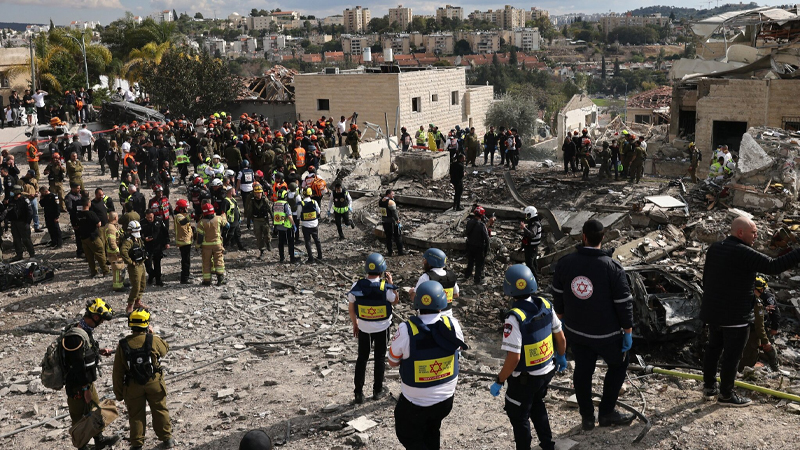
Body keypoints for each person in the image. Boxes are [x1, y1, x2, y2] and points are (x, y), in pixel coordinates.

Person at [701, 216, 800, 406]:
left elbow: (707, 278)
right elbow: (773, 266)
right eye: (753, 232)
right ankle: (726, 395)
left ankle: (709, 387)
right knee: (732, 355)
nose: (756, 235)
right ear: (741, 233)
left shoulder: (715, 248)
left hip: (713, 312)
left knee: (713, 349)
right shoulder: (742, 252)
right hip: (736, 314)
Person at [551, 219, 634, 429]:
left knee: (582, 371)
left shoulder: (565, 262)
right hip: (607, 335)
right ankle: (606, 413)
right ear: (603, 238)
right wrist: (628, 330)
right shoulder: (612, 267)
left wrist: (560, 318)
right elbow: (624, 303)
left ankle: (587, 417)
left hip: (576, 332)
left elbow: (558, 296)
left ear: (583, 237)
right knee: (618, 366)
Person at [490, 264, 567, 450]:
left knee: (519, 415)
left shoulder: (514, 318)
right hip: (547, 372)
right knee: (537, 404)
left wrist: (499, 380)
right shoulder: (546, 305)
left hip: (524, 379)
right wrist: (561, 357)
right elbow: (561, 338)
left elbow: (514, 358)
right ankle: (548, 444)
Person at [388, 280, 467, 450]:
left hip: (415, 403)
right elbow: (458, 351)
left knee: (406, 434)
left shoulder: (406, 329)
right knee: (433, 429)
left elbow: (392, 362)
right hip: (445, 401)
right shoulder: (452, 324)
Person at [61, 299, 120, 450]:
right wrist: (85, 389)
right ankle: (82, 445)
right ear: (95, 317)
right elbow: (77, 366)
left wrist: (98, 351)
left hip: (87, 382)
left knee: (94, 410)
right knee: (79, 416)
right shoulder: (75, 337)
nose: (101, 322)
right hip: (78, 386)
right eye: (101, 319)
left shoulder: (84, 330)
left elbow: (84, 353)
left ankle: (99, 439)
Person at [112, 308, 175, 450]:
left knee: (135, 415)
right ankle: (167, 439)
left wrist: (119, 392)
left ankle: (137, 444)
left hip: (133, 385)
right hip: (154, 382)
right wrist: (153, 334)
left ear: (131, 325)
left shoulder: (122, 345)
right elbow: (165, 349)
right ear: (146, 324)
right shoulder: (152, 340)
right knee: (159, 409)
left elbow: (117, 372)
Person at [348, 253, 398, 404]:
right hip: (382, 328)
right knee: (379, 358)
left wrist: (355, 324)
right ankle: (377, 391)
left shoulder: (357, 286)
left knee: (362, 358)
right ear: (382, 270)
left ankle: (358, 393)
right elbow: (395, 301)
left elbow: (351, 308)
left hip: (363, 328)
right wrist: (392, 283)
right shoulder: (385, 287)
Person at [738, 276, 780, 372]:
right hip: (752, 330)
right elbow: (758, 323)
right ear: (760, 289)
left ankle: (775, 368)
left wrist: (774, 326)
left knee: (767, 349)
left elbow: (775, 313)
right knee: (751, 352)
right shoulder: (755, 300)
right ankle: (741, 371)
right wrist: (765, 340)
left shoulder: (764, 298)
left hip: (751, 329)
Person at [410, 248, 460, 318]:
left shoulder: (426, 277)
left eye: (425, 260)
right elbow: (456, 294)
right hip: (448, 318)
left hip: (429, 318)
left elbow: (414, 299)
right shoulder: (451, 276)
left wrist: (411, 292)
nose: (424, 262)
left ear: (431, 262)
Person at [121, 220, 148, 313]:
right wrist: (130, 262)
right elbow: (123, 251)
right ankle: (130, 305)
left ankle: (138, 301)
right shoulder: (128, 241)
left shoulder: (138, 239)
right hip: (134, 266)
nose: (137, 233)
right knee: (136, 286)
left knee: (143, 284)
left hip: (141, 264)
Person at [77, 197, 108, 278]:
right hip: (93, 237)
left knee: (89, 256)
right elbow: (99, 224)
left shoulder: (78, 214)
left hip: (83, 238)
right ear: (88, 204)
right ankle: (105, 270)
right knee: (100, 253)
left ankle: (93, 271)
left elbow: (76, 226)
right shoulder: (91, 214)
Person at [198, 202, 228, 286]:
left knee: (206, 263)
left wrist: (197, 246)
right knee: (218, 261)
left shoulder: (201, 222)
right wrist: (224, 217)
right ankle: (220, 280)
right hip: (217, 244)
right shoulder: (218, 219)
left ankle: (207, 281)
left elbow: (199, 237)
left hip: (206, 246)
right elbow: (226, 225)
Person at [7, 185, 35, 261]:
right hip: (14, 223)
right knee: (16, 240)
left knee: (26, 239)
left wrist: (27, 223)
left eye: (13, 191)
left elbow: (30, 212)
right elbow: (9, 210)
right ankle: (19, 255)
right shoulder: (11, 200)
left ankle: (32, 254)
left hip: (23, 222)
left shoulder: (24, 200)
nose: (12, 192)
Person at [141, 210, 169, 287]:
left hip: (157, 245)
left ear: (153, 215)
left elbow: (165, 232)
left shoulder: (159, 221)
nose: (149, 219)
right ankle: (151, 274)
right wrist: (144, 238)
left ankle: (158, 280)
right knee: (147, 263)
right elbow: (140, 234)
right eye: (147, 217)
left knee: (157, 263)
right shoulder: (143, 222)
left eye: (150, 217)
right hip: (147, 246)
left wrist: (167, 242)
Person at [463, 206, 490, 284]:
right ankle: (477, 280)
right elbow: (486, 239)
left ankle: (467, 275)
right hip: (479, 248)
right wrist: (487, 250)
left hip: (470, 246)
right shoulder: (481, 226)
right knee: (479, 265)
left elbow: (466, 233)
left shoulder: (469, 222)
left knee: (470, 262)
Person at [296, 187, 322, 263]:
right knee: (317, 240)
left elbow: (298, 215)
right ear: (310, 194)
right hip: (314, 224)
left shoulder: (301, 204)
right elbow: (319, 211)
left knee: (307, 241)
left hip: (305, 225)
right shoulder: (314, 202)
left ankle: (311, 258)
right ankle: (320, 255)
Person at [248, 184, 272, 259]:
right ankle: (262, 250)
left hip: (264, 219)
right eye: (257, 193)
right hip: (256, 220)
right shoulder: (252, 201)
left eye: (260, 193)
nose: (259, 194)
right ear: (255, 193)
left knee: (267, 234)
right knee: (258, 236)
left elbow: (270, 209)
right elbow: (249, 212)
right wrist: (248, 222)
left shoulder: (265, 200)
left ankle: (268, 243)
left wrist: (273, 219)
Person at [272, 189, 297, 263]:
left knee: (281, 243)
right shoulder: (285, 204)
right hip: (287, 226)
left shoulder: (275, 204)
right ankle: (292, 258)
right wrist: (293, 224)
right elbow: (289, 215)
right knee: (290, 242)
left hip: (279, 226)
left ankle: (281, 258)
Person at [173, 199, 194, 284]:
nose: (186, 209)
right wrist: (190, 216)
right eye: (185, 208)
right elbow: (183, 222)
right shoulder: (179, 216)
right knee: (185, 261)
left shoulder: (182, 215)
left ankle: (186, 274)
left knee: (186, 260)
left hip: (186, 241)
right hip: (183, 242)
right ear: (181, 209)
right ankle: (184, 278)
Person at [379, 189, 404, 256]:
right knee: (397, 236)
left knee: (388, 237)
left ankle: (390, 252)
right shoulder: (390, 202)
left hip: (384, 221)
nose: (393, 195)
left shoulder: (381, 201)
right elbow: (394, 213)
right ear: (388, 194)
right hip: (392, 222)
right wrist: (398, 221)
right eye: (392, 194)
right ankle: (400, 251)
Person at [105, 211, 125, 292]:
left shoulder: (111, 226)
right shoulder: (111, 228)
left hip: (113, 252)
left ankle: (121, 282)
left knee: (120, 268)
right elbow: (112, 242)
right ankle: (117, 286)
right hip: (114, 253)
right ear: (116, 218)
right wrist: (118, 252)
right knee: (117, 269)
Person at [521, 206, 542, 276]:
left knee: (530, 264)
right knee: (534, 262)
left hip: (531, 247)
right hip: (532, 246)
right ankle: (536, 276)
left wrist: (524, 228)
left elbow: (532, 234)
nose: (526, 217)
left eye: (527, 215)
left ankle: (534, 278)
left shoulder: (535, 224)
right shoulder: (534, 222)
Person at [223, 186, 245, 251]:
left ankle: (240, 247)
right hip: (231, 222)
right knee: (229, 235)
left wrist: (239, 218)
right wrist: (225, 221)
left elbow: (237, 209)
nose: (235, 192)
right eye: (233, 190)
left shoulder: (233, 199)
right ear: (230, 192)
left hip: (236, 221)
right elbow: (223, 212)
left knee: (238, 235)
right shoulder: (226, 201)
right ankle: (224, 247)